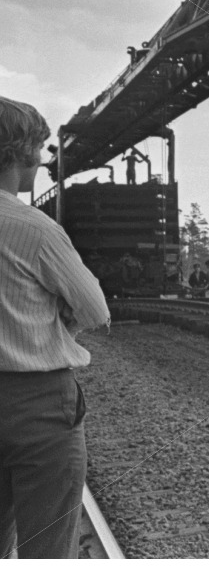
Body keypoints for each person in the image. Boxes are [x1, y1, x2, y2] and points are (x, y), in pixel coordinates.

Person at [0, 95, 110, 558]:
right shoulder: (36, 229)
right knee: (47, 552)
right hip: (38, 407)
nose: (44, 162)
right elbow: (96, 311)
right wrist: (55, 314)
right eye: (42, 150)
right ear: (22, 152)